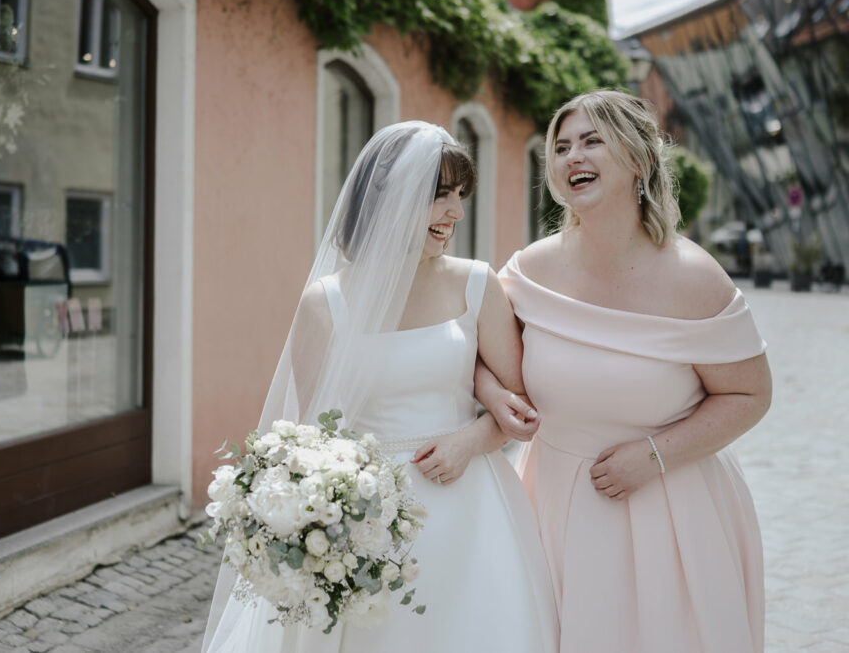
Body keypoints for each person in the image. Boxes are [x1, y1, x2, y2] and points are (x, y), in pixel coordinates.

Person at [201, 121, 558, 652]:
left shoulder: (478, 284)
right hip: (365, 522)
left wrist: (468, 442)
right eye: (439, 197)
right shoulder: (325, 305)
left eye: (460, 196)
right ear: (389, 200)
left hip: (470, 507)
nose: (455, 214)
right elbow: (310, 434)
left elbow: (523, 405)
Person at [476, 90, 772, 653]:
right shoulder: (529, 270)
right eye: (561, 147)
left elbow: (751, 393)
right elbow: (479, 360)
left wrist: (655, 456)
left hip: (671, 507)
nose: (571, 157)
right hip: (552, 502)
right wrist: (493, 396)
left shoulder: (694, 278)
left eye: (592, 141)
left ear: (638, 159)